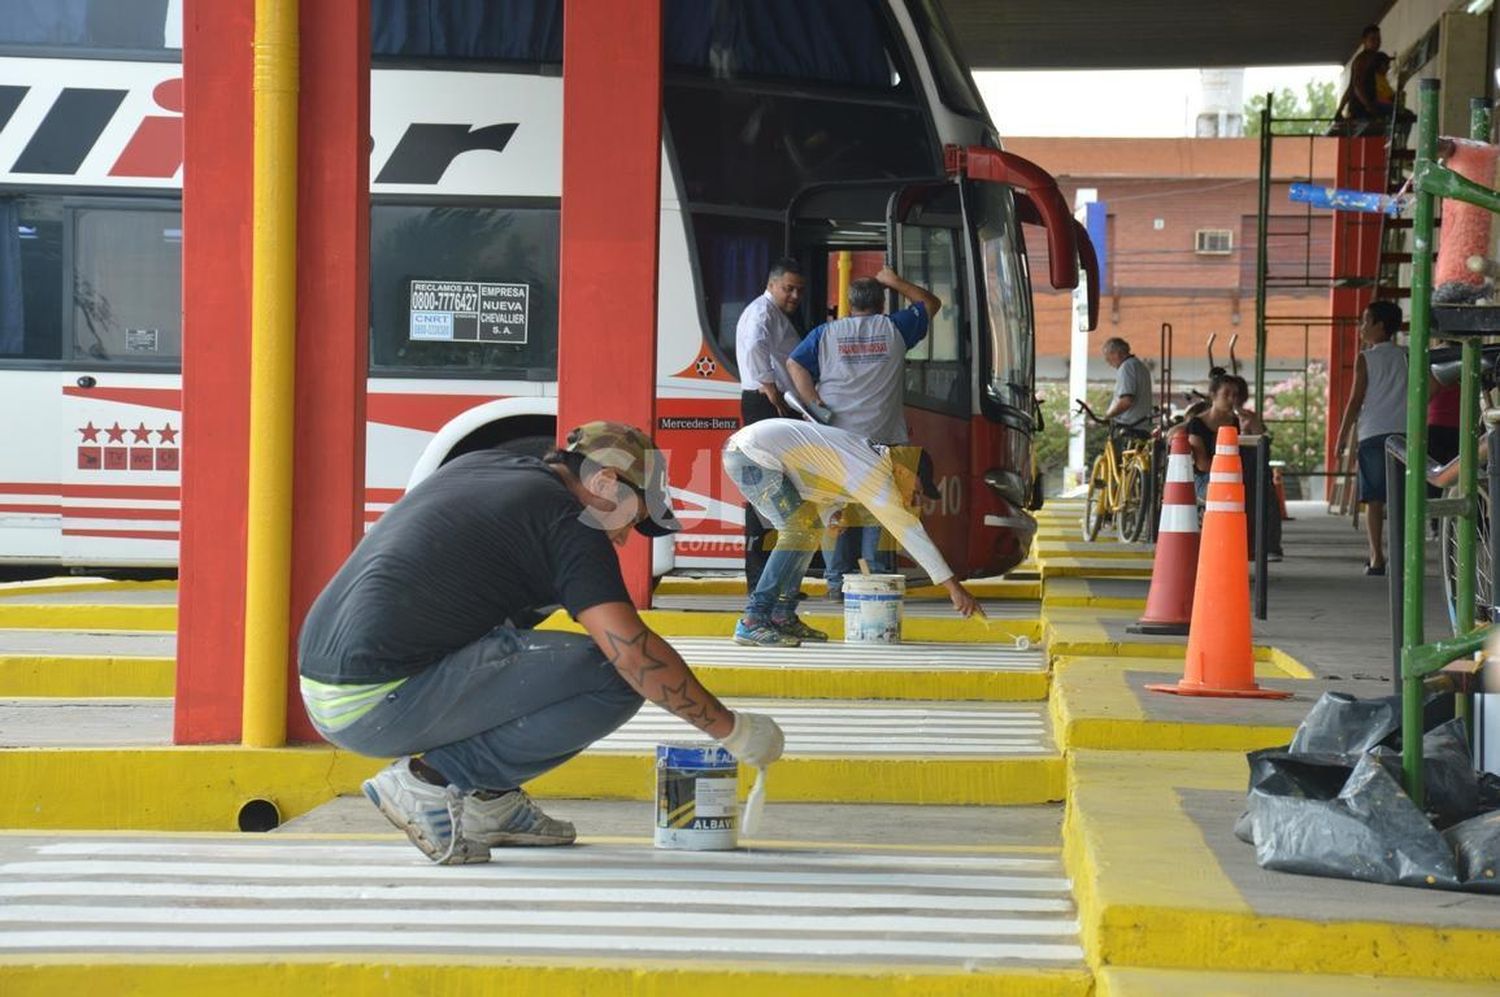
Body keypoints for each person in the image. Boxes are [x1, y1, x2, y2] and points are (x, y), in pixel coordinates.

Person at [297, 422, 786, 864]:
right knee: (612, 676)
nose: (626, 538)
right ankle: (430, 780)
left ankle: (493, 802)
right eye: (634, 521)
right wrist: (732, 730)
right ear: (605, 484)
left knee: (525, 625)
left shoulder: (485, 465)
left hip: (328, 688)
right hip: (380, 699)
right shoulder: (571, 523)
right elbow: (633, 652)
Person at [723, 418, 981, 646]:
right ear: (905, 471)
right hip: (752, 454)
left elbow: (821, 477)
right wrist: (954, 588)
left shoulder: (871, 459)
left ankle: (782, 615)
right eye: (918, 490)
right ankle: (753, 620)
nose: (916, 499)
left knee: (807, 532)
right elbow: (910, 533)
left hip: (753, 450)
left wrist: (832, 514)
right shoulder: (876, 472)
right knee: (798, 532)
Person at [785, 266, 941, 600]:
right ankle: (877, 577)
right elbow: (931, 303)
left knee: (836, 508)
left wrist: (814, 402)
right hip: (881, 439)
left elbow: (794, 364)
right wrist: (896, 280)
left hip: (834, 438)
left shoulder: (825, 334)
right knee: (879, 507)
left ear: (848, 304)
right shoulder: (895, 328)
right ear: (882, 301)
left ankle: (836, 582)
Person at [734, 258, 807, 592]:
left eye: (798, 290)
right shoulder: (762, 312)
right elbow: (753, 347)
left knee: (781, 491)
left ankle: (775, 580)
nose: (794, 295)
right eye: (788, 288)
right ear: (772, 284)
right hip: (766, 402)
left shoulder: (776, 315)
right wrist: (770, 388)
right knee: (764, 490)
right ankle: (760, 580)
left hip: (775, 401)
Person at [1335, 300, 1408, 575]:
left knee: (1374, 500)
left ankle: (1377, 558)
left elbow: (1355, 401)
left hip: (1373, 434)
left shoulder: (1366, 358)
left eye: (1365, 321)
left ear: (1379, 326)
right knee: (1401, 498)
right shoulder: (1408, 355)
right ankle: (1401, 558)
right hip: (1404, 432)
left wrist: (1342, 437)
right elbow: (1429, 388)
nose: (1361, 327)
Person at [1101, 337, 1154, 433]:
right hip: (1142, 426)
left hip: (1128, 428)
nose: (1108, 362)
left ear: (1117, 353)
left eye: (1108, 357)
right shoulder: (1140, 366)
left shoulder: (1126, 367)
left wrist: (1107, 416)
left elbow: (1126, 401)